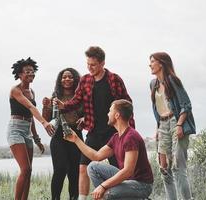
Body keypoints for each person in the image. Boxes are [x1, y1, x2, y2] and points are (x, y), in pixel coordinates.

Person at [54, 46, 135, 200]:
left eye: (93, 65)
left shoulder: (114, 79)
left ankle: (123, 196)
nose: (89, 68)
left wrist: (129, 130)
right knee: (82, 167)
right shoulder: (85, 80)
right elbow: (76, 101)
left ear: (102, 63)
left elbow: (127, 104)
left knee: (119, 170)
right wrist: (63, 106)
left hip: (113, 133)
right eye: (88, 64)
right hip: (94, 130)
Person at [64, 99, 153, 200]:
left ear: (117, 115)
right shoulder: (116, 137)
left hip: (142, 185)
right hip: (128, 180)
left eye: (110, 111)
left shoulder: (130, 137)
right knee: (92, 167)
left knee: (107, 193)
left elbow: (128, 171)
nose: (108, 114)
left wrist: (103, 186)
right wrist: (76, 139)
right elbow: (96, 156)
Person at [149, 52, 195, 200]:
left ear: (161, 63)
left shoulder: (173, 81)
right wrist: (157, 129)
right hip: (162, 124)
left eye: (152, 61)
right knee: (164, 169)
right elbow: (157, 108)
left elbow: (186, 105)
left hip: (176, 122)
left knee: (177, 167)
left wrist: (180, 125)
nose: (150, 65)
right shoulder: (153, 84)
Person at [7, 57, 55, 200]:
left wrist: (37, 139)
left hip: (27, 130)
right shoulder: (15, 90)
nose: (30, 74)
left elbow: (30, 115)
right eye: (27, 72)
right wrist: (45, 123)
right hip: (15, 130)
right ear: (20, 74)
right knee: (25, 169)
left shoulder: (32, 92)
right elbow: (30, 106)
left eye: (32, 72)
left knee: (29, 171)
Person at [42, 68, 84, 200]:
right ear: (60, 80)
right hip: (59, 135)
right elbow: (48, 119)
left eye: (70, 77)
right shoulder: (55, 96)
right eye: (64, 77)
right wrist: (45, 106)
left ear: (75, 79)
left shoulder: (80, 96)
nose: (67, 79)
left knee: (74, 172)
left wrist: (84, 119)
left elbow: (88, 114)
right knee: (60, 170)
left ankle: (74, 198)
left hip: (75, 134)